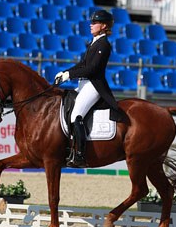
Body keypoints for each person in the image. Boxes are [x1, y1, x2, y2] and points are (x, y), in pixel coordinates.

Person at [54, 9, 126, 168]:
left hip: (94, 85)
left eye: (95, 22)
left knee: (75, 115)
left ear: (104, 26)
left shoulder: (104, 45)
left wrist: (69, 76)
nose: (91, 25)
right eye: (91, 22)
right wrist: (66, 72)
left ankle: (79, 155)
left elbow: (92, 69)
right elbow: (82, 64)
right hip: (84, 84)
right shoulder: (93, 42)